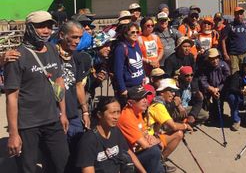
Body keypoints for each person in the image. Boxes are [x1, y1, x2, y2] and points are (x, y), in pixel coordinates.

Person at [4, 11, 69, 173]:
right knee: (29, 169)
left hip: (53, 121)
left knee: (62, 163)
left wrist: (63, 113)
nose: (46, 30)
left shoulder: (53, 49)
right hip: (28, 125)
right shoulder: (16, 57)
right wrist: (13, 133)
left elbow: (59, 82)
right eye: (41, 26)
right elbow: (11, 98)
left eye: (49, 26)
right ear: (30, 28)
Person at [56, 20, 92, 170]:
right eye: (74, 37)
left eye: (80, 37)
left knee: (77, 153)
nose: (77, 41)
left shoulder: (76, 58)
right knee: (60, 158)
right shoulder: (51, 54)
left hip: (74, 115)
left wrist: (84, 112)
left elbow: (78, 86)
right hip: (56, 116)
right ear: (62, 35)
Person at [76, 97, 145, 173]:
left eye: (118, 112)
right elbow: (88, 170)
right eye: (112, 113)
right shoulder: (88, 140)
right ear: (99, 114)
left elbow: (129, 153)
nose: (116, 117)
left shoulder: (116, 131)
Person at [147, 79, 193, 172]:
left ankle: (159, 162)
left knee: (178, 134)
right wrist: (185, 126)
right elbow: (173, 126)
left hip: (153, 134)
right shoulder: (158, 105)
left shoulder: (160, 103)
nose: (173, 94)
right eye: (170, 91)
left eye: (174, 92)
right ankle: (156, 164)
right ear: (162, 92)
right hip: (148, 139)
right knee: (178, 133)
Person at [118, 86, 165, 173]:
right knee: (154, 151)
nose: (145, 100)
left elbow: (146, 134)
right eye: (140, 98)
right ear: (130, 102)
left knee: (156, 149)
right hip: (127, 159)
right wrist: (158, 140)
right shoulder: (126, 117)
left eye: (145, 97)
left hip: (136, 150)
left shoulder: (137, 112)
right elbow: (145, 145)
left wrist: (153, 139)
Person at [112, 23, 145, 105]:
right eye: (132, 32)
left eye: (137, 32)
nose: (135, 34)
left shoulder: (136, 45)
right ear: (125, 34)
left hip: (139, 85)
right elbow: (118, 71)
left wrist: (143, 77)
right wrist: (123, 89)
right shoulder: (120, 48)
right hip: (128, 88)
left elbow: (140, 62)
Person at [198, 48, 231, 121]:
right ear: (209, 59)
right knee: (205, 102)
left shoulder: (224, 65)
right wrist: (210, 88)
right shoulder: (205, 67)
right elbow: (203, 80)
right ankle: (208, 114)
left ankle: (218, 116)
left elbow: (227, 81)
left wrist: (218, 89)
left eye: (216, 58)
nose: (215, 61)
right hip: (208, 88)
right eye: (212, 59)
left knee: (219, 102)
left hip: (220, 88)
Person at [221, 6, 246, 74]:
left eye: (241, 14)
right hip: (234, 55)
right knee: (234, 73)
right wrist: (225, 53)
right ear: (235, 15)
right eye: (237, 14)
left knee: (245, 72)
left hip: (244, 53)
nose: (239, 16)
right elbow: (223, 40)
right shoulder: (230, 26)